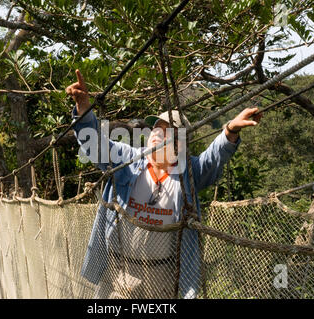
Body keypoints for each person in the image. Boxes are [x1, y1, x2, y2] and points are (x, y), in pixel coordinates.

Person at [66, 69, 261, 299]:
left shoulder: (188, 174)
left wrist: (230, 131)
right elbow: (96, 146)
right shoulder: (127, 160)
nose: (156, 134)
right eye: (156, 129)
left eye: (166, 131)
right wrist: (83, 111)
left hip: (163, 277)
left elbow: (212, 160)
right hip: (118, 271)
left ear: (180, 145)